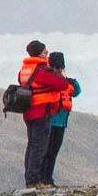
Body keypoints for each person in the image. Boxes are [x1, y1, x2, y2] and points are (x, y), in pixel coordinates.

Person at [18, 42, 73, 187]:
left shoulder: (25, 69)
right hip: (42, 112)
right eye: (44, 51)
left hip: (29, 111)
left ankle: (30, 178)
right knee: (39, 147)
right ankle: (34, 180)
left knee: (31, 146)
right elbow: (62, 84)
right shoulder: (42, 71)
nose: (47, 53)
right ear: (39, 53)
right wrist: (58, 73)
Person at [39, 52, 81, 185]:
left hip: (53, 121)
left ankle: (45, 178)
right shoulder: (66, 82)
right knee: (51, 152)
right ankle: (46, 178)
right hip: (55, 121)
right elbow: (77, 91)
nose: (58, 69)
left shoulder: (53, 80)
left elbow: (77, 91)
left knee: (48, 151)